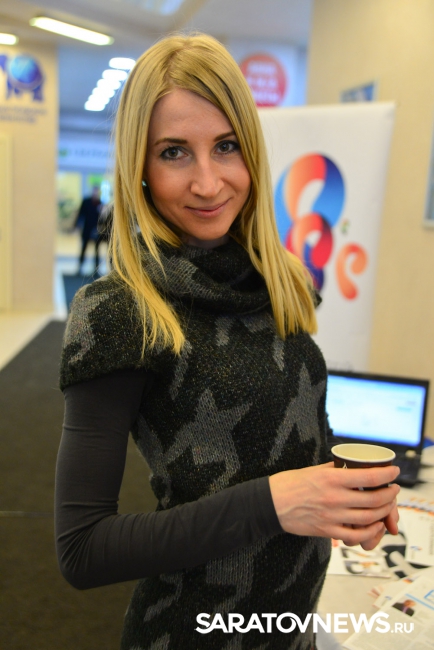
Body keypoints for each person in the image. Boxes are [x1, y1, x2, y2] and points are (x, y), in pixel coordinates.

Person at [55, 33, 400, 649]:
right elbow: (83, 550)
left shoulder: (280, 279)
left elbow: (293, 441)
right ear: (139, 166)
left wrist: (346, 492)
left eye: (226, 146)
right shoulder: (118, 311)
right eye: (174, 153)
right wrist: (276, 503)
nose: (209, 182)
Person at [74, 185, 103, 273]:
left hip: (96, 230)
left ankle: (96, 269)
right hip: (87, 228)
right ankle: (80, 266)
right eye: (94, 191)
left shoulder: (100, 203)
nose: (95, 193)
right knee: (84, 248)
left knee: (97, 249)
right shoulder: (86, 202)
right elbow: (80, 214)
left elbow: (101, 218)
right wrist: (77, 225)